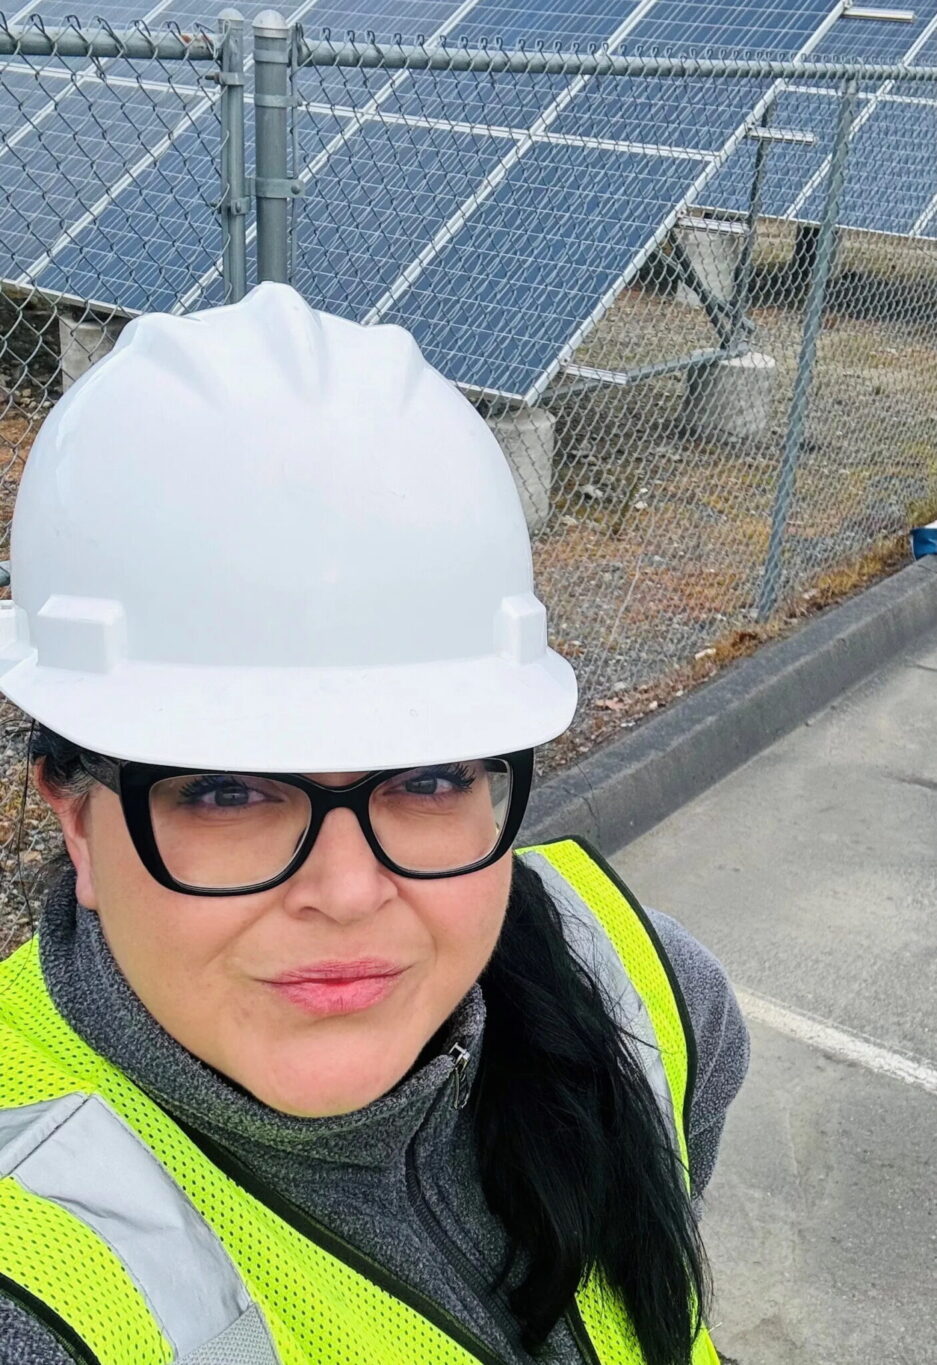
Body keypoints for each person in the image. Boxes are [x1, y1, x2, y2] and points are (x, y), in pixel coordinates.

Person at [0, 283, 748, 1365]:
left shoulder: (655, 997)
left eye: (432, 778)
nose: (348, 893)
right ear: (75, 822)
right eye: (225, 792)